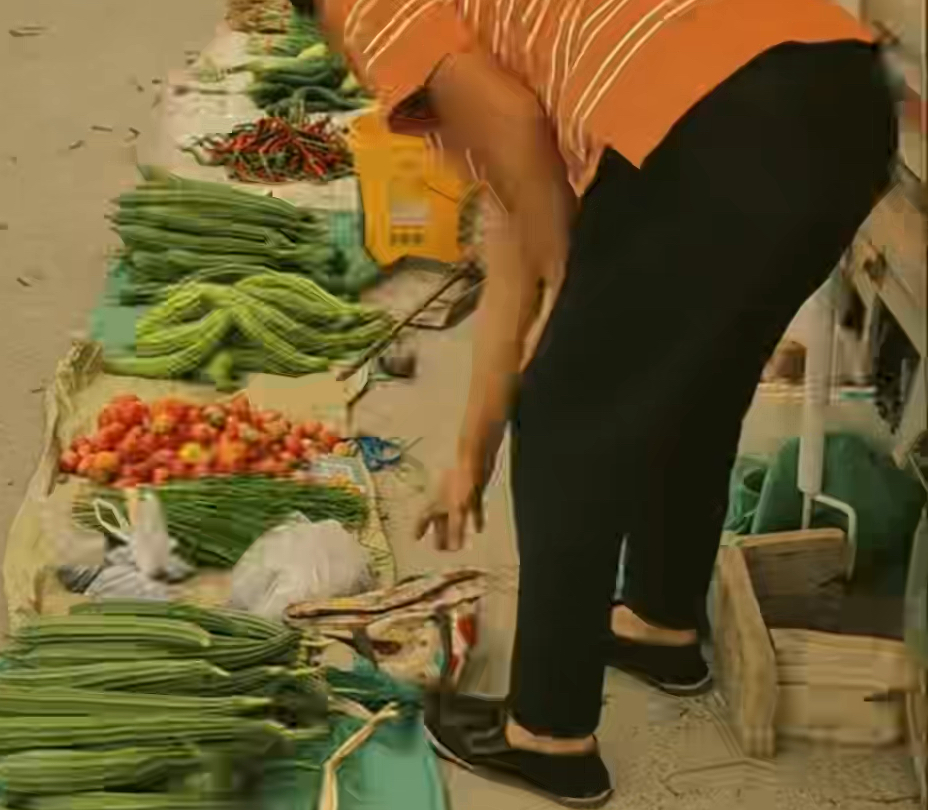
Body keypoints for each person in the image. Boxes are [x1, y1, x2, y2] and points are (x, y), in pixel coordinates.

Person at [292, 0, 896, 804]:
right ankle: (659, 624)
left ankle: (549, 734)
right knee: (698, 380)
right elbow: (513, 221)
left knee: (566, 420)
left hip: (724, 111)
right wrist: (471, 456)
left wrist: (564, 296)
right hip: (845, 104)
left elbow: (509, 128)